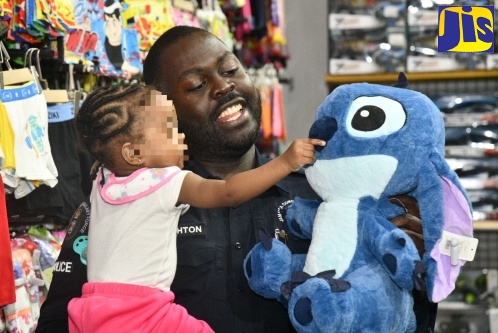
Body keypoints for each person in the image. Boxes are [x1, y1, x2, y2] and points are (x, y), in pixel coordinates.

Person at [36, 26, 437, 333]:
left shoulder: (324, 192)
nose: (224, 86)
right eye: (196, 84)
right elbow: (63, 319)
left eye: (230, 69)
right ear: (161, 110)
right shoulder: (120, 202)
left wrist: (414, 267)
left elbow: (393, 314)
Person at [66, 84, 324, 332]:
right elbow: (229, 192)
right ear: (133, 153)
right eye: (169, 129)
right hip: (143, 311)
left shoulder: (101, 181)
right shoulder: (167, 182)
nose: (180, 136)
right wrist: (285, 162)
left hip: (89, 310)